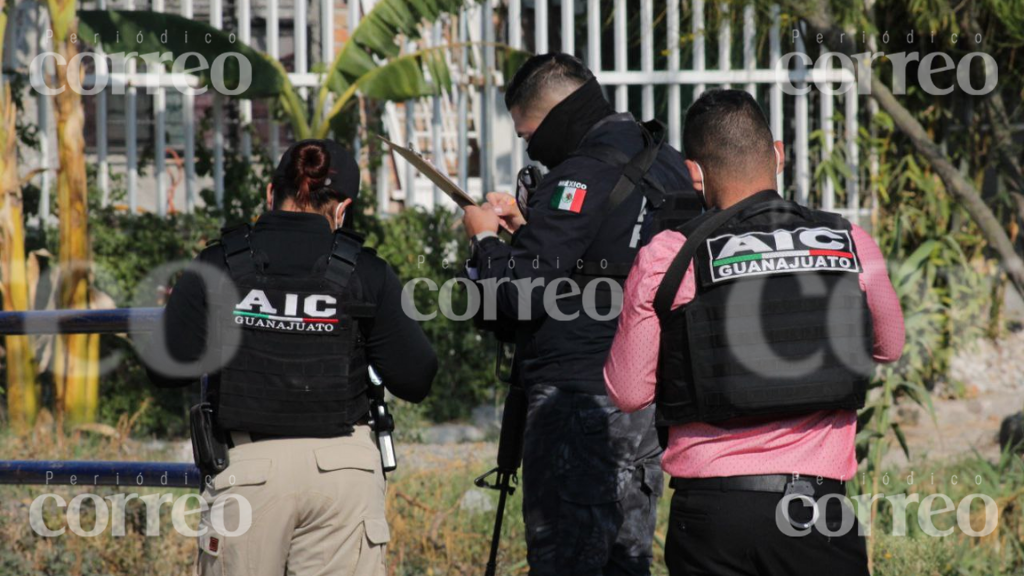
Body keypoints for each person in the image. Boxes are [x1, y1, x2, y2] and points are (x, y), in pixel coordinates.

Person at [604, 89, 906, 576]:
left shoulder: (668, 255)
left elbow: (628, 393)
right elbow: (890, 346)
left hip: (713, 518)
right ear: (779, 154)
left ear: (694, 172)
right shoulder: (849, 240)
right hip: (817, 513)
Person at [144, 139, 438, 576]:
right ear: (342, 209)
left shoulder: (219, 263)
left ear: (269, 193)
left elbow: (165, 366)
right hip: (345, 475)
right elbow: (416, 378)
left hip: (249, 472)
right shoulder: (367, 272)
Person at [462, 53, 697, 576]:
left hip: (578, 406)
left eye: (528, 135)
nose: (529, 147)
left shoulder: (581, 175)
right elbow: (604, 253)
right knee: (626, 561)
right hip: (645, 406)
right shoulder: (668, 163)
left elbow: (513, 295)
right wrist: (530, 230)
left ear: (557, 117)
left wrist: (482, 237)